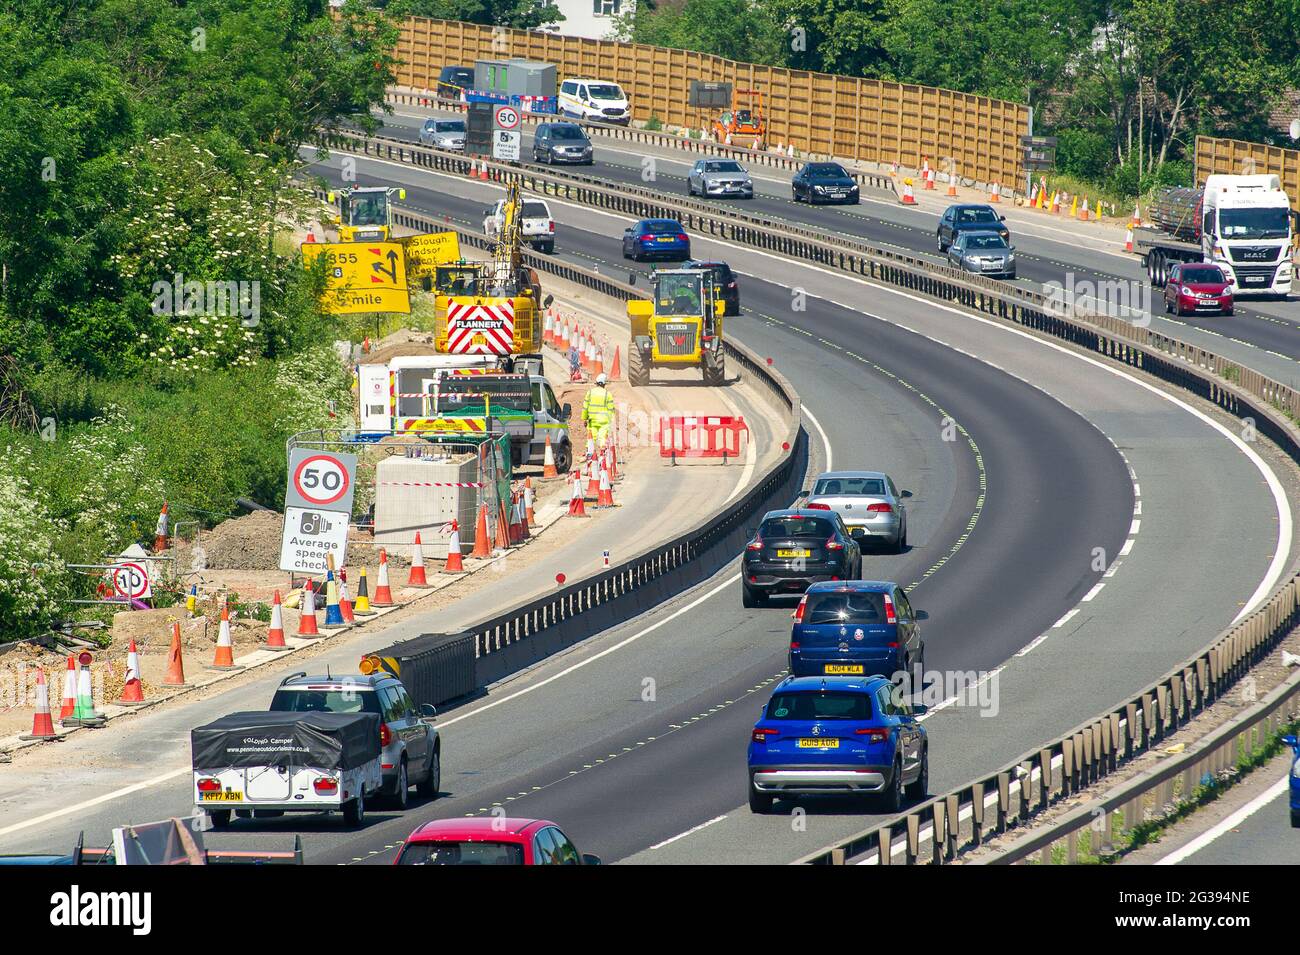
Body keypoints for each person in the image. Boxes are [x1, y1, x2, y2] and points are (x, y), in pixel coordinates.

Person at [582, 372, 617, 450]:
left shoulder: (590, 392)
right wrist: (613, 422)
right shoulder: (607, 394)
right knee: (603, 439)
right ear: (604, 384)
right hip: (604, 422)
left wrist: (584, 418)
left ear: (597, 383)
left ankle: (589, 454)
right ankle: (603, 456)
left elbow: (585, 407)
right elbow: (611, 410)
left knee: (591, 438)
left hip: (592, 421)